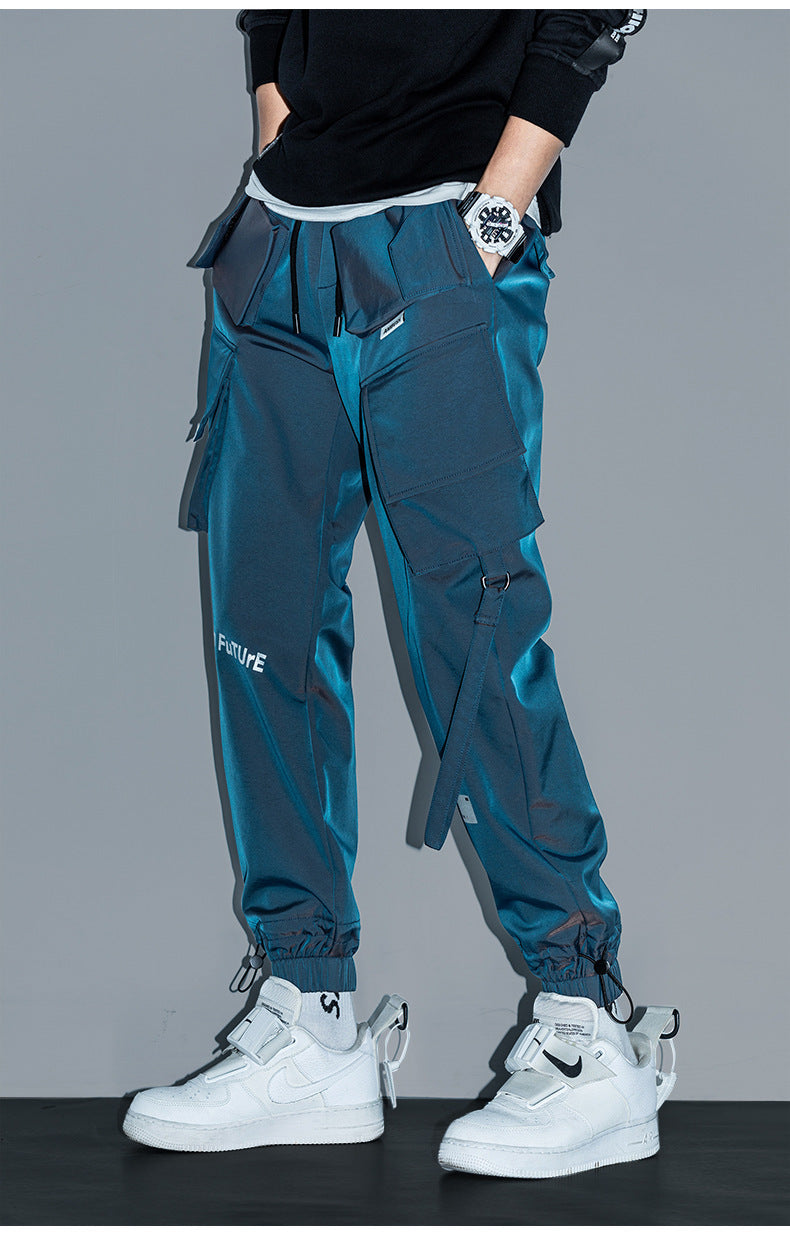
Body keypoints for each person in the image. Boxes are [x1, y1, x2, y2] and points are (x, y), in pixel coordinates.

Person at [123, 9, 680, 1178]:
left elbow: (586, 18)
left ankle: (587, 1027)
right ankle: (311, 1012)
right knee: (262, 637)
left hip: (442, 234)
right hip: (278, 247)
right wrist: (279, 150)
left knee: (473, 639)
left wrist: (489, 222)